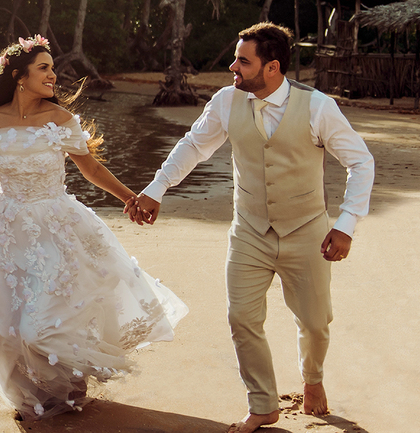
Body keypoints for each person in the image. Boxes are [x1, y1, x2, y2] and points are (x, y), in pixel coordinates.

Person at [0, 35, 187, 421]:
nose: (53, 75)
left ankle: (71, 382)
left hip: (56, 228)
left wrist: (131, 198)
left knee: (42, 325)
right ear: (19, 76)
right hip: (6, 232)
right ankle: (36, 397)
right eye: (44, 68)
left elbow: (91, 169)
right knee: (9, 328)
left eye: (53, 68)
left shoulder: (60, 120)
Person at [128, 22, 374, 433]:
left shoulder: (318, 107)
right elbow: (194, 145)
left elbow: (361, 162)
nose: (233, 67)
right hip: (249, 231)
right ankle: (262, 404)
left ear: (272, 67)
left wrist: (346, 224)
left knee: (315, 322)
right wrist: (157, 189)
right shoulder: (227, 101)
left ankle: (312, 379)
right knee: (242, 318)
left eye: (243, 61)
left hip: (308, 233)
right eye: (235, 59)